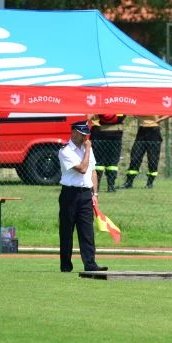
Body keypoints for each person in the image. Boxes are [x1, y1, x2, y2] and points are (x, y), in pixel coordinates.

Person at [58, 121, 106, 273]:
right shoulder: (65, 151)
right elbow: (83, 168)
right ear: (73, 132)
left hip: (85, 193)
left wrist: (95, 193)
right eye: (82, 133)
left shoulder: (87, 149)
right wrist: (87, 150)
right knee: (67, 231)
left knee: (87, 231)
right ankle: (66, 265)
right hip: (69, 194)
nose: (85, 137)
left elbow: (92, 171)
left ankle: (90, 264)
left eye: (86, 134)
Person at [123, 115, 168, 189]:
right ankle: (129, 182)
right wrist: (139, 117)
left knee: (153, 160)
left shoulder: (159, 104)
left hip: (154, 132)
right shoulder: (143, 104)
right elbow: (132, 110)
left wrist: (160, 119)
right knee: (135, 158)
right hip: (142, 131)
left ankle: (149, 183)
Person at [89, 113, 125, 192]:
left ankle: (96, 187)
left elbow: (88, 116)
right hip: (116, 134)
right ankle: (111, 187)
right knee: (113, 162)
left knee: (98, 162)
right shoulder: (119, 102)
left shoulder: (98, 103)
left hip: (98, 133)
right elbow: (122, 116)